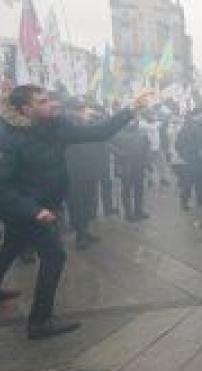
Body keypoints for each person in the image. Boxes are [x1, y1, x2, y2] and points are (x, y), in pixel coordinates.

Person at [0, 85, 150, 339]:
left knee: (11, 246)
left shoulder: (57, 125)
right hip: (27, 208)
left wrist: (130, 110)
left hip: (47, 203)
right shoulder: (8, 137)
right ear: (26, 109)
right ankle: (40, 321)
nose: (52, 104)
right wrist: (33, 210)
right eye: (43, 101)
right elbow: (3, 185)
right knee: (54, 257)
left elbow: (98, 132)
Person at [66, 103, 112, 250]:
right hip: (75, 173)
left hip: (91, 171)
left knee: (89, 204)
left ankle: (85, 231)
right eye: (81, 110)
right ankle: (80, 236)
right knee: (77, 205)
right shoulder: (69, 126)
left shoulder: (92, 125)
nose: (86, 113)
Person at [112, 120, 151, 222]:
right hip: (126, 165)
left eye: (134, 120)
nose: (132, 122)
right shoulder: (118, 133)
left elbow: (147, 146)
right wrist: (119, 153)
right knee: (126, 190)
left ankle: (138, 210)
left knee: (139, 189)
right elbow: (109, 145)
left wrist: (147, 161)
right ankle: (128, 213)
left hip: (139, 165)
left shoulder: (142, 133)